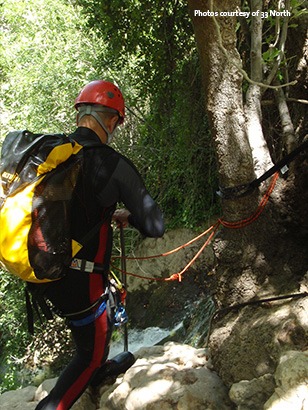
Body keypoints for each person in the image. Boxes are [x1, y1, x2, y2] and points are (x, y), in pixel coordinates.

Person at [34, 80, 165, 409]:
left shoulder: (55, 156)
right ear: (110, 120)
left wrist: (108, 212)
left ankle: (96, 369)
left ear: (81, 115)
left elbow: (71, 213)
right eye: (116, 123)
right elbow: (155, 225)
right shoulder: (112, 163)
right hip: (83, 280)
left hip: (46, 272)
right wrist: (129, 216)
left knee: (93, 334)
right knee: (91, 353)